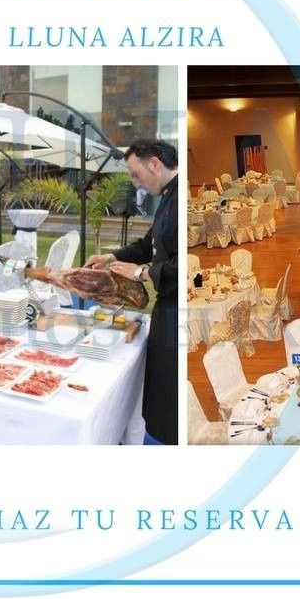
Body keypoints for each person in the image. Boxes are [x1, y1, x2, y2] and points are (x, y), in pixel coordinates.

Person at [84, 139, 179, 445]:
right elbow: (148, 244)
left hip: (178, 308)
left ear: (155, 164)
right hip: (165, 307)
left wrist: (143, 273)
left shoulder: (179, 198)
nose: (135, 181)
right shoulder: (167, 198)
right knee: (159, 389)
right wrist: (113, 257)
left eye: (137, 174)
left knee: (169, 392)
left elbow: (184, 263)